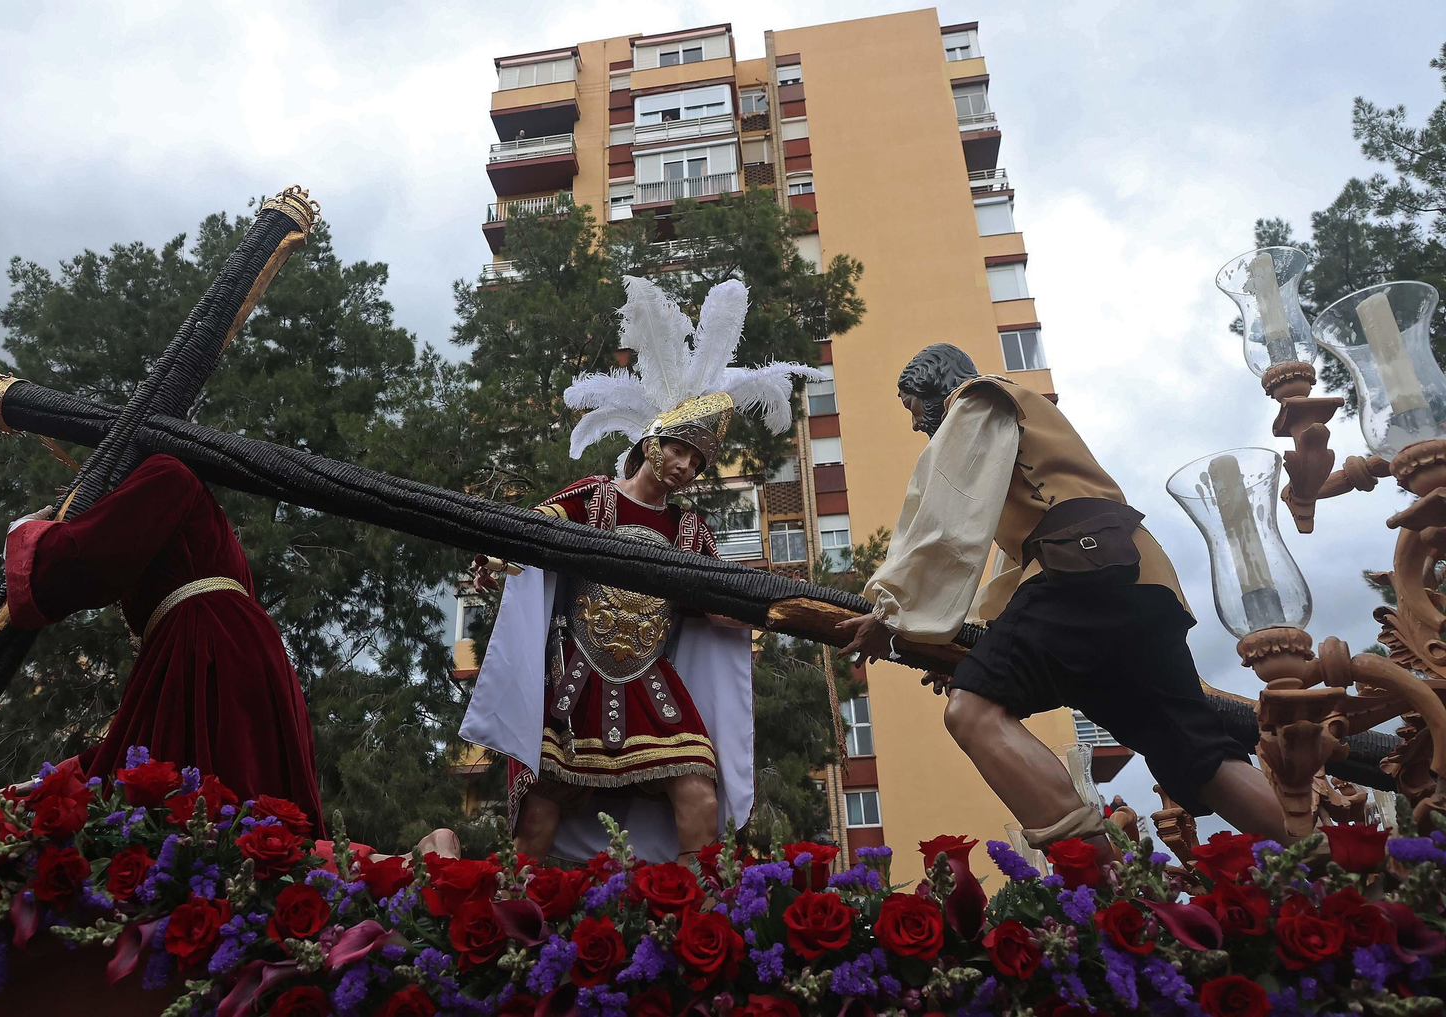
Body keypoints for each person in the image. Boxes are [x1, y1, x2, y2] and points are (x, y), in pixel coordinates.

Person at [837, 344, 1286, 861]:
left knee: (974, 710)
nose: (915, 423)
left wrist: (893, 613)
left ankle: (1113, 888)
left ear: (934, 385)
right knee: (1198, 755)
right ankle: (1332, 865)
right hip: (1137, 579)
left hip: (1079, 575)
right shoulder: (1024, 424)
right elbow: (1018, 564)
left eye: (910, 405)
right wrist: (968, 646)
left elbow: (947, 515)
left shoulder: (978, 400)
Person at [460, 276, 823, 864]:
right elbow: (529, 531)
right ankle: (524, 921)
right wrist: (493, 555)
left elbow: (714, 601)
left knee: (698, 791)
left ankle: (699, 912)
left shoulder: (688, 531)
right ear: (653, 439)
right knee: (538, 817)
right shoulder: (595, 498)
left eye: (698, 460)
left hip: (653, 682)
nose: (684, 466)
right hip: (578, 672)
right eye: (679, 449)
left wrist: (778, 602)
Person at [4, 453, 326, 835]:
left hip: (207, 643)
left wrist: (23, 534)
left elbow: (82, 559)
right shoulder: (204, 546)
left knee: (214, 807)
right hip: (221, 647)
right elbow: (152, 736)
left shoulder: (165, 472)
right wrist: (59, 778)